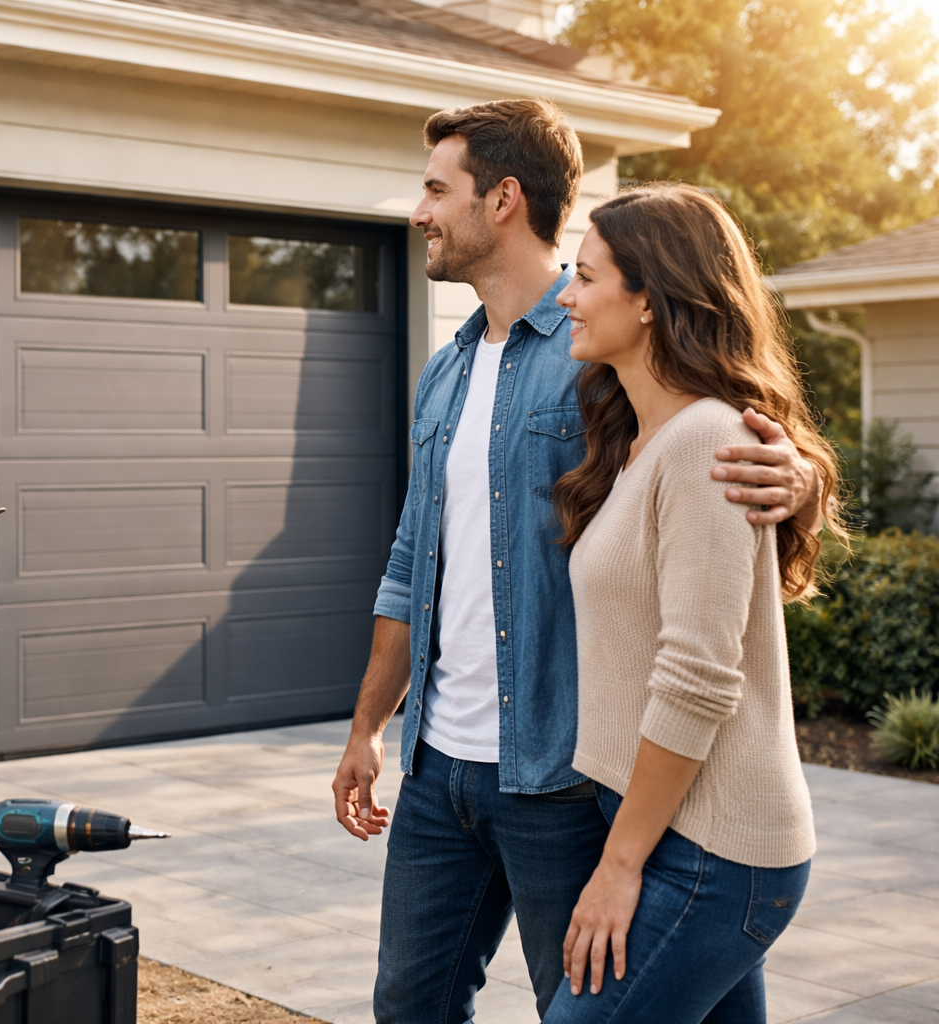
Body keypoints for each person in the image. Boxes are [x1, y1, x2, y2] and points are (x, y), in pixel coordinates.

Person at [328, 98, 825, 1023]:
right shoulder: (444, 371)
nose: (418, 210)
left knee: (590, 999)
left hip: (558, 773)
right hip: (440, 766)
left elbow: (725, 435)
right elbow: (411, 561)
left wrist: (798, 476)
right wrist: (370, 726)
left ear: (504, 199)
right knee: (408, 1005)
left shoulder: (600, 353)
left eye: (437, 188)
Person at [542, 183, 837, 1023]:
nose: (566, 295)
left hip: (709, 852)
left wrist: (619, 865)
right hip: (673, 832)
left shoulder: (710, 441)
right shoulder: (642, 441)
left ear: (648, 300)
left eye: (587, 277)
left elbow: (698, 677)